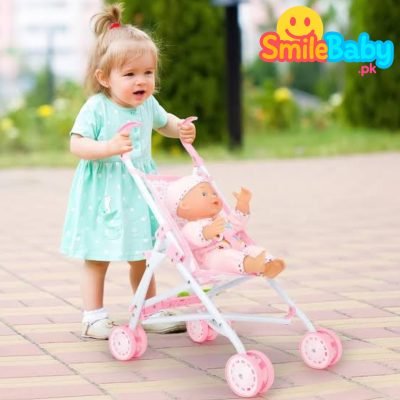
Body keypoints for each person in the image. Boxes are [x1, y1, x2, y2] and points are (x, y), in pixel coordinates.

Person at [60, 3, 196, 339]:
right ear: (104, 78)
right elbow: (77, 144)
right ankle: (93, 316)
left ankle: (148, 310)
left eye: (148, 72)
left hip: (139, 191)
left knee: (145, 255)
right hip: (104, 193)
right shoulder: (97, 108)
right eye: (130, 74)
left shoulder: (147, 104)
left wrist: (180, 128)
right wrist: (107, 147)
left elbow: (164, 122)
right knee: (97, 256)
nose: (141, 81)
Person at [166, 175, 286, 277]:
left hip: (238, 249)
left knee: (253, 249)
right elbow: (195, 238)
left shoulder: (220, 219)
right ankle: (253, 265)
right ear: (185, 205)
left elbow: (235, 224)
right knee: (226, 257)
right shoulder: (190, 227)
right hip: (211, 259)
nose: (213, 196)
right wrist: (208, 232)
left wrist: (242, 204)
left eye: (214, 193)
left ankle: (269, 265)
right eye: (204, 194)